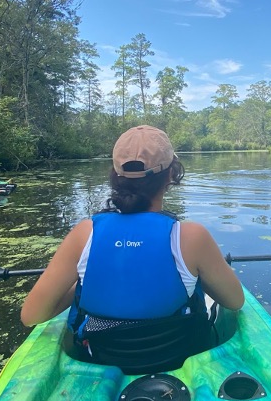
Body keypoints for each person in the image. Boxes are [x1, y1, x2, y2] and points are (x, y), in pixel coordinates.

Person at [20, 125, 244, 365]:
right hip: (179, 357)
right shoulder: (192, 236)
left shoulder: (84, 233)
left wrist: (84, 283)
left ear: (115, 176)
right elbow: (234, 301)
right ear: (171, 175)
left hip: (103, 359)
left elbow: (32, 315)